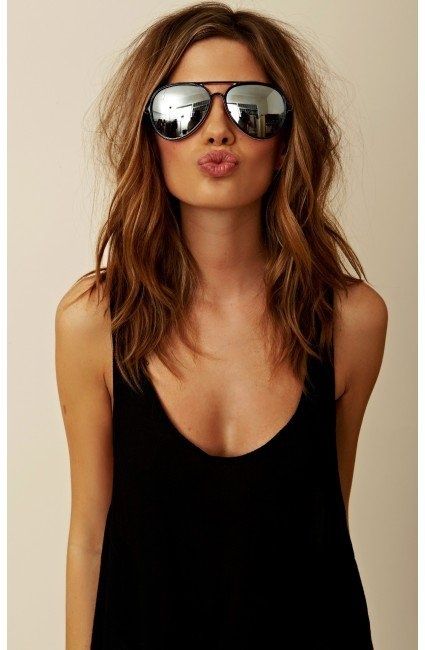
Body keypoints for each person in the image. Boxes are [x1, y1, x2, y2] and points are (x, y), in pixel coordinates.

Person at [54, 2, 388, 648]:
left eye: (251, 107)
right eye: (182, 109)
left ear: (286, 140)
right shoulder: (94, 320)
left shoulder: (352, 321)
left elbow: (325, 528)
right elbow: (89, 538)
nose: (217, 131)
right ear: (148, 134)